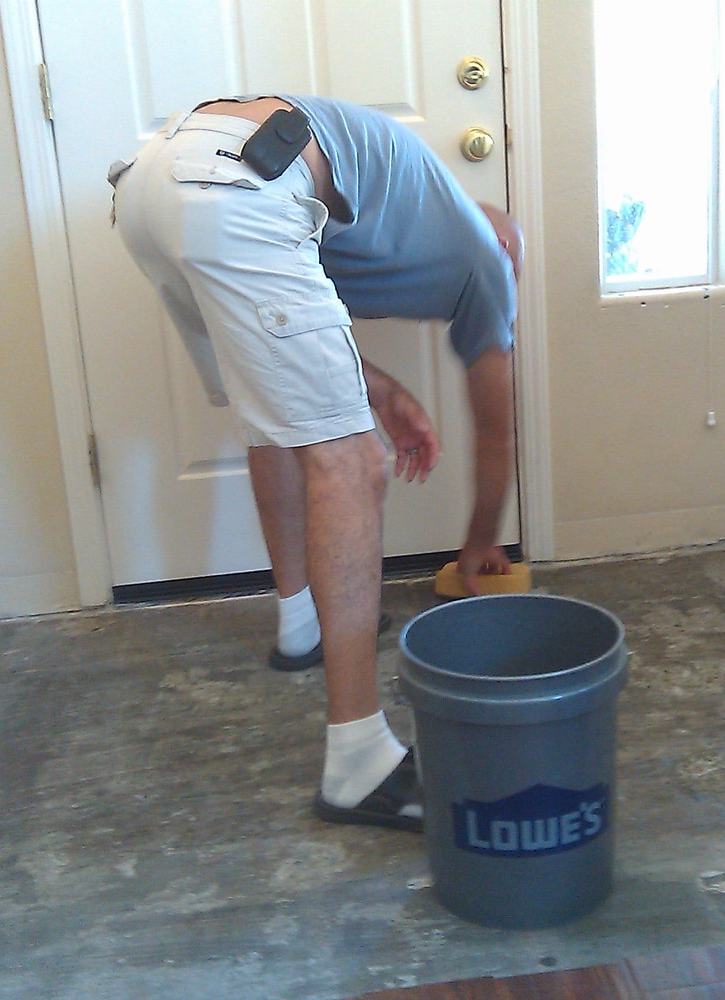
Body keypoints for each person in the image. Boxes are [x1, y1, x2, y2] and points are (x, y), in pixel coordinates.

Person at [108, 94, 521, 832]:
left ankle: (301, 625)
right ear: (502, 242)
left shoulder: (398, 212)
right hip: (235, 178)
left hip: (149, 188)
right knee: (353, 462)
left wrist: (382, 387)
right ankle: (359, 762)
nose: (511, 284)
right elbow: (497, 429)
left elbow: (290, 309)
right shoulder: (488, 258)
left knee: (279, 422)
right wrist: (483, 540)